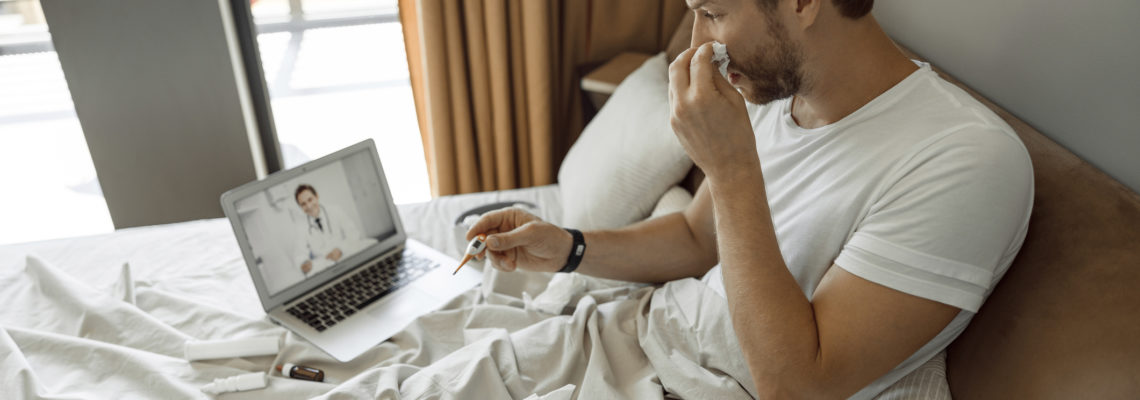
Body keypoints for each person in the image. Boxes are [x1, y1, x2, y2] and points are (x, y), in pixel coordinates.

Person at [465, 0, 1033, 397]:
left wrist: (733, 167)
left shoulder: (965, 157)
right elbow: (695, 238)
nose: (696, 49)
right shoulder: (771, 98)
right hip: (636, 337)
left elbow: (797, 387)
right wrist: (568, 247)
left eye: (711, 14)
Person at [294, 184, 365, 276]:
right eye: (303, 204)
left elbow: (353, 233)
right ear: (300, 207)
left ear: (316, 196)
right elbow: (299, 252)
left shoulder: (335, 210)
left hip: (345, 253)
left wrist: (341, 249)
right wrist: (303, 263)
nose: (309, 206)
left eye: (310, 199)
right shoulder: (301, 226)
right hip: (324, 264)